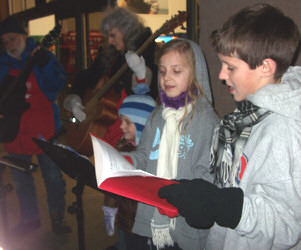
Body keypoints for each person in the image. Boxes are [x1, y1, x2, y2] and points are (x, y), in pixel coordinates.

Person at [158, 4, 301, 249]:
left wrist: (221, 205)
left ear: (266, 67)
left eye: (231, 67)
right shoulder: (250, 116)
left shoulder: (282, 128)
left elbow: (288, 225)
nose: (222, 75)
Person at [121, 39, 220, 249]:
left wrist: (181, 200)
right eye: (163, 71)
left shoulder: (207, 122)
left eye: (176, 71)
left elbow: (208, 176)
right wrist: (129, 160)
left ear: (194, 73)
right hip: (152, 217)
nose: (167, 78)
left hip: (185, 223)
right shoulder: (157, 116)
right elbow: (145, 154)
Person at [0, 17, 71, 236]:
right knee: (21, 180)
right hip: (15, 131)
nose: (10, 44)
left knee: (52, 177)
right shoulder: (2, 63)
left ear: (24, 36)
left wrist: (45, 65)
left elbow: (57, 84)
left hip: (44, 128)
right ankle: (30, 219)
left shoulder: (43, 56)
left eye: (13, 39)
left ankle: (57, 217)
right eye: (5, 41)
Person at [63, 7, 158, 148]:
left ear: (126, 31)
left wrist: (141, 73)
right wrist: (75, 99)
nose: (111, 41)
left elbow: (149, 96)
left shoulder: (147, 53)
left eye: (113, 35)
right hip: (107, 128)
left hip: (130, 132)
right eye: (108, 36)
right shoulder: (110, 55)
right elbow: (86, 76)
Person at [102, 91, 156, 250]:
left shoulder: (153, 156)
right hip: (124, 220)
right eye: (121, 120)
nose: (121, 126)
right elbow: (113, 188)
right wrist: (110, 210)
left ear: (141, 125)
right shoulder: (123, 148)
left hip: (143, 226)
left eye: (127, 122)